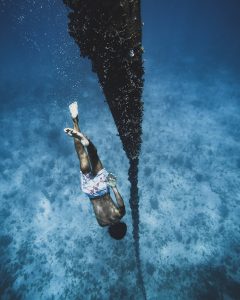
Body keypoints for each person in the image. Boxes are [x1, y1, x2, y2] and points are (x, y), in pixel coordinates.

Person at [64, 101, 127, 239]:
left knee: (94, 154)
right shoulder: (102, 223)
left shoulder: (120, 214)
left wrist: (114, 186)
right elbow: (97, 209)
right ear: (111, 231)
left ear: (122, 225)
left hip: (104, 188)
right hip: (90, 191)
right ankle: (75, 122)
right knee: (81, 156)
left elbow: (119, 200)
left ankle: (87, 141)